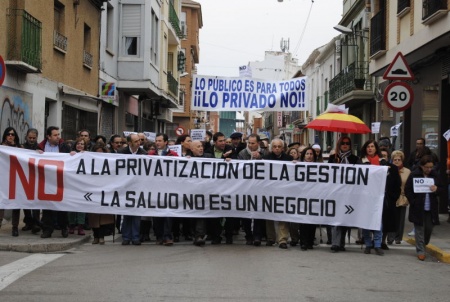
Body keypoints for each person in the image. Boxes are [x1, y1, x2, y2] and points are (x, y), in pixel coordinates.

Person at [360, 139, 400, 256]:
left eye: (372, 146)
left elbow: (393, 181)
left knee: (378, 221)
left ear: (375, 148)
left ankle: (377, 244)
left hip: (379, 197)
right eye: (368, 146)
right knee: (366, 221)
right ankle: (368, 244)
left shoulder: (383, 163)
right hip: (365, 197)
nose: (370, 148)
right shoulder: (361, 162)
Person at [405, 155, 444, 261]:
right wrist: (413, 201)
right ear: (422, 166)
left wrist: (436, 189)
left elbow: (441, 189)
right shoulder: (414, 175)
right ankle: (420, 250)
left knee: (429, 229)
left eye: (431, 167)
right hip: (418, 207)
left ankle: (423, 244)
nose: (429, 169)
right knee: (419, 229)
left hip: (431, 208)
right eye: (427, 167)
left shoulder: (435, 175)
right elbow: (407, 189)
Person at [328, 136, 361, 252]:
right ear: (339, 145)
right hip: (336, 193)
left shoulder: (355, 159)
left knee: (345, 218)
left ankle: (341, 243)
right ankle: (335, 243)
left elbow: (359, 175)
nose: (345, 145)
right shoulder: (333, 158)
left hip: (350, 193)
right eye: (342, 143)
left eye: (347, 143)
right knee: (336, 218)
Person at [37, 126, 71, 238]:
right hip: (45, 180)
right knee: (47, 207)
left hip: (60, 180)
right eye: (55, 135)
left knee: (61, 206)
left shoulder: (64, 146)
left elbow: (70, 160)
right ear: (48, 136)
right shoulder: (40, 147)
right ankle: (47, 230)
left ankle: (64, 227)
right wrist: (36, 153)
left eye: (58, 135)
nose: (58, 137)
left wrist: (73, 154)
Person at [148, 133, 178, 246]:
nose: (157, 143)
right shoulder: (151, 154)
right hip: (155, 188)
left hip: (169, 188)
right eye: (156, 140)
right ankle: (159, 236)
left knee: (168, 214)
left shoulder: (173, 154)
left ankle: (167, 236)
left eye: (160, 141)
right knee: (156, 214)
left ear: (165, 142)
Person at [263, 138, 293, 249]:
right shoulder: (265, 159)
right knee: (269, 214)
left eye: (279, 146)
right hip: (270, 191)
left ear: (283, 148)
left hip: (284, 191)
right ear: (271, 148)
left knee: (283, 214)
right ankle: (271, 238)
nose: (277, 149)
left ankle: (282, 240)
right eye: (274, 146)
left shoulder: (289, 159)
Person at [118, 133, 147, 246]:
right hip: (125, 186)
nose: (138, 143)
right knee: (127, 213)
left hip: (138, 187)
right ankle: (126, 237)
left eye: (139, 140)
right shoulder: (121, 153)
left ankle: (135, 237)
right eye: (135, 141)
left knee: (136, 213)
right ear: (129, 143)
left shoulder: (143, 153)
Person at [238, 134, 266, 246]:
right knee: (246, 213)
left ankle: (257, 236)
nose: (250, 145)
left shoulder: (265, 153)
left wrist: (260, 158)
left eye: (253, 143)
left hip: (260, 187)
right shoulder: (242, 154)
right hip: (246, 188)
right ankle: (248, 236)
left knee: (258, 212)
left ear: (258, 143)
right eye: (249, 143)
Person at [188, 140, 214, 246]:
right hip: (192, 191)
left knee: (201, 214)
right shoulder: (186, 159)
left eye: (201, 146)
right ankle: (195, 234)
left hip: (207, 191)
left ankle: (200, 235)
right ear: (192, 149)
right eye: (198, 146)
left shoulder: (209, 157)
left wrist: (226, 160)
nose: (201, 148)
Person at [89, 143, 115, 245]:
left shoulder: (110, 161)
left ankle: (101, 236)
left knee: (104, 216)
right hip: (93, 190)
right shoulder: (90, 161)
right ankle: (95, 236)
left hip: (105, 190)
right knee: (94, 216)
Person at [0, 127, 22, 236]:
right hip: (2, 179)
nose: (10, 136)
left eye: (12, 134)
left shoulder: (19, 148)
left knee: (16, 203)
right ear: (5, 135)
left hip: (16, 179)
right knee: (1, 203)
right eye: (8, 134)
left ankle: (15, 227)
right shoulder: (1, 148)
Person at [20, 128, 42, 234]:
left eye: (34, 138)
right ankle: (28, 222)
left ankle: (36, 223)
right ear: (26, 137)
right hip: (24, 177)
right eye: (30, 138)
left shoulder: (40, 148)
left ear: (37, 138)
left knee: (36, 202)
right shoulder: (21, 148)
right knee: (25, 202)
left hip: (36, 178)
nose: (32, 140)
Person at [387, 150, 411, 245]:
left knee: (400, 219)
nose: (397, 161)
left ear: (402, 161)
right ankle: (390, 237)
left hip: (402, 197)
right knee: (391, 217)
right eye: (395, 159)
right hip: (391, 196)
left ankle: (398, 238)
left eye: (399, 159)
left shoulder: (407, 171)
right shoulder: (388, 170)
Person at [298, 147, 319, 250]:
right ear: (303, 155)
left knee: (312, 220)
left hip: (314, 196)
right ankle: (303, 242)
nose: (309, 156)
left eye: (311, 154)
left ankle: (310, 241)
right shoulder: (298, 166)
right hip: (302, 196)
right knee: (303, 220)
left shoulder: (319, 167)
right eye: (307, 154)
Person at [68, 137, 89, 235]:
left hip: (83, 184)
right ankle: (71, 225)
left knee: (81, 206)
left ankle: (80, 226)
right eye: (78, 143)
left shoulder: (88, 156)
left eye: (82, 144)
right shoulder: (70, 155)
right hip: (72, 184)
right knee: (71, 205)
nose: (79, 145)